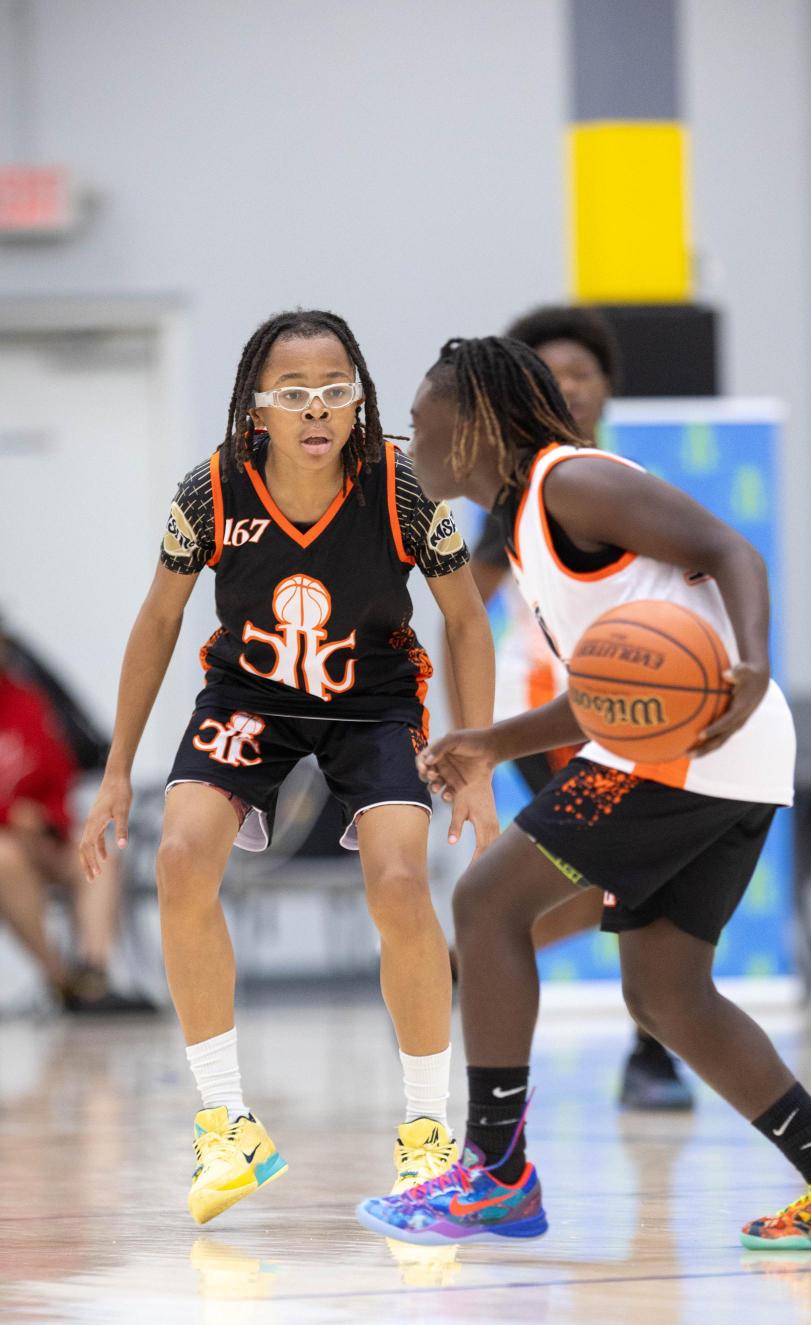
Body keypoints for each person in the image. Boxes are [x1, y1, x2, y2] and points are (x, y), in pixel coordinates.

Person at [356, 335, 811, 1251]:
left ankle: (495, 1172)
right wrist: (493, 743)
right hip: (717, 752)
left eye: (420, 425)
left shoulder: (570, 482)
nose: (409, 444)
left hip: (689, 750)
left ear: (476, 426)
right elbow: (614, 691)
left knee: (488, 902)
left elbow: (730, 549)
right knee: (666, 992)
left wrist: (751, 664)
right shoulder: (528, 523)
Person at [79, 309, 497, 1225]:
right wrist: (116, 769)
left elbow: (467, 620)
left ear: (360, 400)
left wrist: (476, 760)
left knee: (398, 883)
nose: (317, 409)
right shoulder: (212, 490)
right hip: (249, 697)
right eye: (294, 393)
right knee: (180, 859)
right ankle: (227, 1123)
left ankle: (429, 1131)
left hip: (373, 700)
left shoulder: (401, 484)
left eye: (336, 390)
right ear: (256, 409)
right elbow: (158, 620)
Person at [450, 305, 692, 1110]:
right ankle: (650, 1056)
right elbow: (465, 612)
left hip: (637, 711)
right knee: (627, 873)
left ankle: (464, 961)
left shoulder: (620, 480)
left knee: (602, 886)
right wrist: (469, 732)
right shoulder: (522, 493)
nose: (572, 388)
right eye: (554, 376)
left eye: (584, 374)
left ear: (607, 388)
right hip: (552, 717)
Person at [0, 618, 145, 1012]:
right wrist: (11, 816)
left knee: (98, 853)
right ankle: (58, 978)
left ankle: (92, 974)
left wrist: (48, 822)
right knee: (4, 858)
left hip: (42, 835)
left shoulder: (26, 700)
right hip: (8, 843)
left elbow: (57, 774)